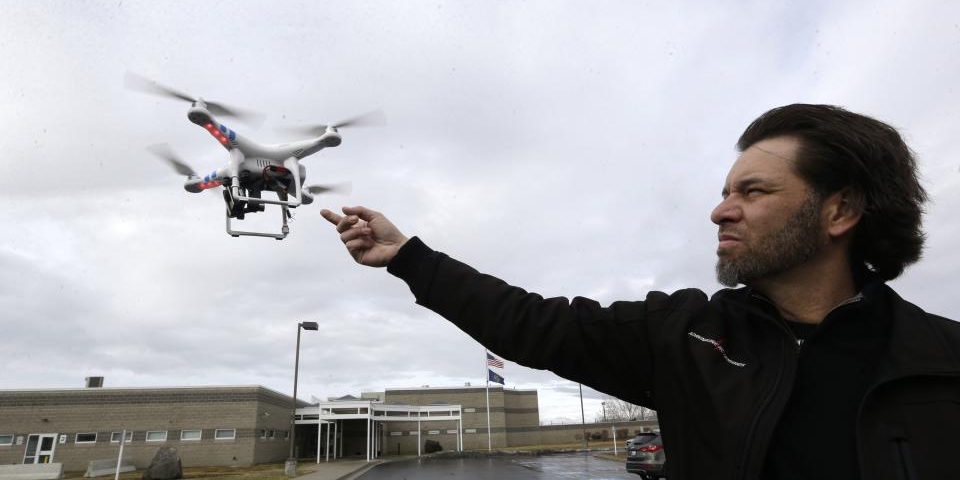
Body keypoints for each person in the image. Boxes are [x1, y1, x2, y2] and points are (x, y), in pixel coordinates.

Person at [320, 104, 960, 480]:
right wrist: (408, 257)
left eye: (752, 192)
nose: (719, 212)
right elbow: (530, 323)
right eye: (724, 191)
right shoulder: (685, 336)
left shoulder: (941, 359)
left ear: (840, 211)